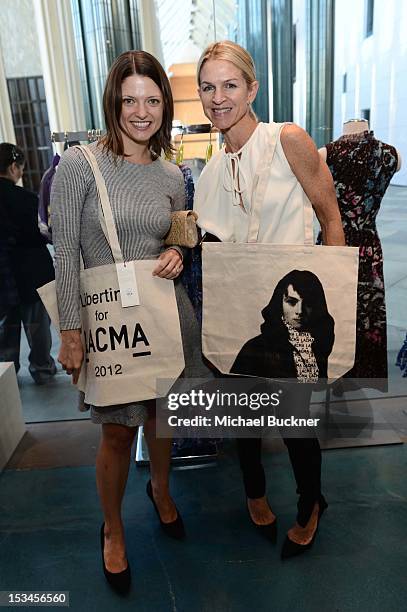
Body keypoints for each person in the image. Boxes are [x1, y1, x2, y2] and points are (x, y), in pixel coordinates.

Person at [51, 50, 209, 594]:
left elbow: (176, 234)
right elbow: (66, 251)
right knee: (118, 431)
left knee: (164, 418)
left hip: (168, 315)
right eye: (129, 100)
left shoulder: (171, 172)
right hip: (110, 321)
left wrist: (178, 253)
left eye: (152, 100)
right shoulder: (80, 164)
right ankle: (113, 530)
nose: (141, 112)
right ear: (113, 103)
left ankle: (161, 491)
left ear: (165, 105)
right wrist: (71, 330)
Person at [194, 41, 345, 558]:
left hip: (294, 313)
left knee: (297, 421)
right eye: (209, 88)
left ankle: (311, 503)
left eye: (230, 85)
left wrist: (337, 295)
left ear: (252, 89)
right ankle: (255, 493)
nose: (219, 98)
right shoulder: (210, 174)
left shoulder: (287, 139)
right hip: (243, 312)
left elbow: (330, 217)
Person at [0, 143, 56, 384]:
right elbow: (42, 234)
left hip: (3, 277)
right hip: (32, 273)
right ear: (13, 167)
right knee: (37, 327)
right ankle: (42, 369)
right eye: (20, 168)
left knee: (6, 328)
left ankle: (7, 374)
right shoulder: (26, 199)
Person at [231, 270, 335, 381]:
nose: (300, 311)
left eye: (308, 303)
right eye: (291, 302)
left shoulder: (318, 344)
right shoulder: (255, 347)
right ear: (279, 303)